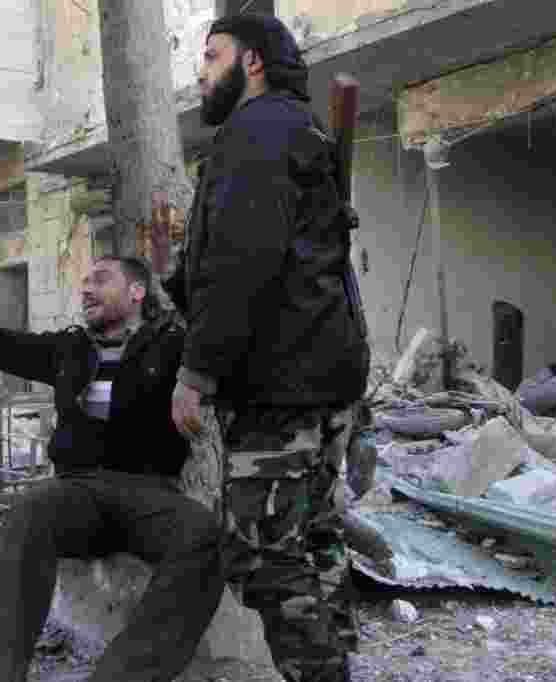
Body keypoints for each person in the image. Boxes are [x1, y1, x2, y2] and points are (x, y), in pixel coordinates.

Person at [0, 242, 224, 682]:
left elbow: (220, 338)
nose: (86, 289)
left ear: (137, 292)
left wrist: (179, 274)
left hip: (149, 493)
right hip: (76, 491)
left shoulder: (175, 344)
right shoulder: (68, 349)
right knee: (27, 513)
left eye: (100, 279)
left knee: (204, 535)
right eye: (84, 282)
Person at [155, 13, 370, 682]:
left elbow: (241, 266)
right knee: (316, 538)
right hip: (326, 380)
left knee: (264, 556)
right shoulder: (300, 133)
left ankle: (321, 674)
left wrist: (196, 371)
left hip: (281, 389)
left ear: (251, 62)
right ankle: (335, 666)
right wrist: (174, 274)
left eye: (212, 56)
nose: (200, 71)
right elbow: (294, 265)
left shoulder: (254, 134)